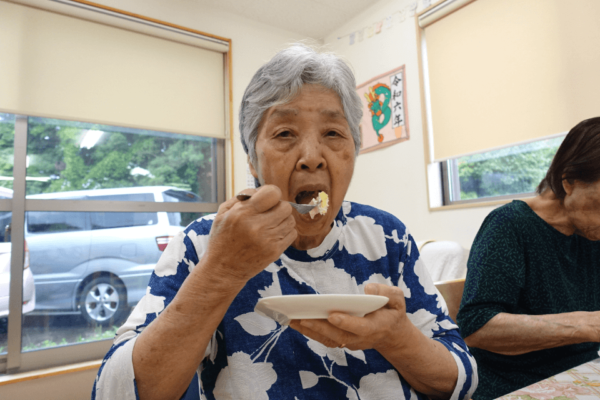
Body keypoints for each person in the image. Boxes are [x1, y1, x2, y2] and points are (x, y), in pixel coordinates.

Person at [92, 44, 477, 400]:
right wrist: (220, 272)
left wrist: (398, 338)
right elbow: (113, 392)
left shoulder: (388, 236)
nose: (312, 156)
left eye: (332, 133)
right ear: (252, 161)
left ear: (353, 152)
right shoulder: (204, 244)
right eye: (284, 133)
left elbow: (462, 379)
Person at [457, 117, 600, 399]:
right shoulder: (509, 225)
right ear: (569, 180)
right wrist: (585, 325)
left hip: (582, 374)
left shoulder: (590, 232)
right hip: (514, 384)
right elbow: (476, 326)